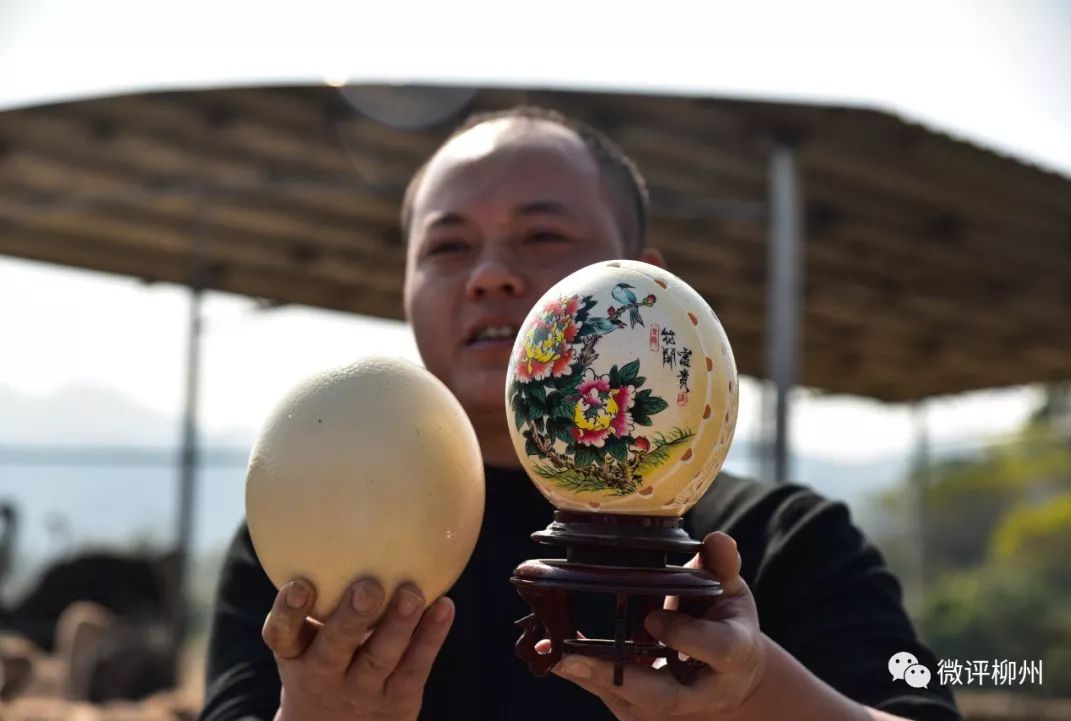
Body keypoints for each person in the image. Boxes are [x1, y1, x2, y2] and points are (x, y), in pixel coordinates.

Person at [199, 106, 963, 721]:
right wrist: (313, 712)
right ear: (404, 289)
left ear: (645, 285)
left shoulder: (775, 542)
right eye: (448, 247)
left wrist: (755, 689)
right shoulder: (307, 533)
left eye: (542, 235)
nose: (492, 275)